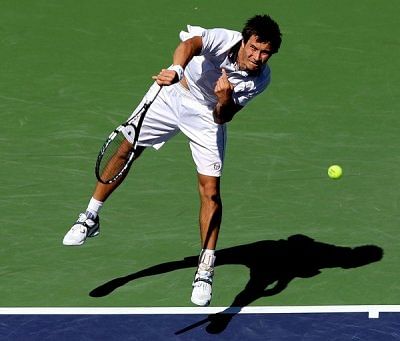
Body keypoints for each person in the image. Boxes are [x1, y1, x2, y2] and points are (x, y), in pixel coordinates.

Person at [62, 14, 282, 307]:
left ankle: (205, 268)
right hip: (174, 92)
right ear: (244, 41)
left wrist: (225, 99)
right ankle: (90, 216)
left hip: (206, 114)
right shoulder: (223, 39)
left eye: (265, 52)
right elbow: (190, 44)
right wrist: (177, 70)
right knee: (127, 148)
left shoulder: (260, 80)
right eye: (254, 47)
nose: (257, 56)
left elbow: (222, 117)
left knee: (211, 191)